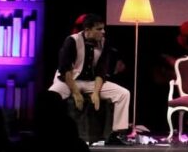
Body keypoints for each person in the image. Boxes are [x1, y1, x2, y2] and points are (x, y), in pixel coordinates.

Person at [49, 13, 131, 144]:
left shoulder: (104, 43)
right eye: (99, 29)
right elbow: (65, 70)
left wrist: (96, 93)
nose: (103, 32)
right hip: (68, 80)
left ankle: (117, 134)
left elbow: (101, 71)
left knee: (123, 94)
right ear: (87, 30)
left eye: (103, 29)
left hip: (91, 82)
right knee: (51, 97)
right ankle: (48, 133)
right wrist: (76, 93)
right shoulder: (72, 40)